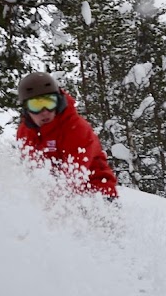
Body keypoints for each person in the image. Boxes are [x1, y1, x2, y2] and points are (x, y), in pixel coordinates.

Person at [15, 71, 119, 200]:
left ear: (58, 101)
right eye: (36, 105)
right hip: (57, 196)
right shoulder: (24, 133)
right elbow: (32, 170)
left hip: (97, 193)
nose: (44, 112)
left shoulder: (76, 128)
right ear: (26, 108)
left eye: (49, 102)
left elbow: (76, 172)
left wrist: (53, 199)